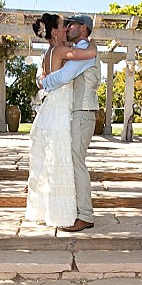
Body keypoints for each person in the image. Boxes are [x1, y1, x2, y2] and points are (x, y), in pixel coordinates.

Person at [25, 13, 98, 228]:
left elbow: (64, 77)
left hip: (80, 112)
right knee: (64, 161)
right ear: (55, 31)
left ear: (83, 28)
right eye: (63, 25)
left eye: (71, 24)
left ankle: (84, 215)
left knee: (72, 162)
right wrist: (45, 81)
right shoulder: (75, 50)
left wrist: (45, 82)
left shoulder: (85, 51)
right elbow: (60, 76)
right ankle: (74, 211)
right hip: (66, 111)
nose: (66, 27)